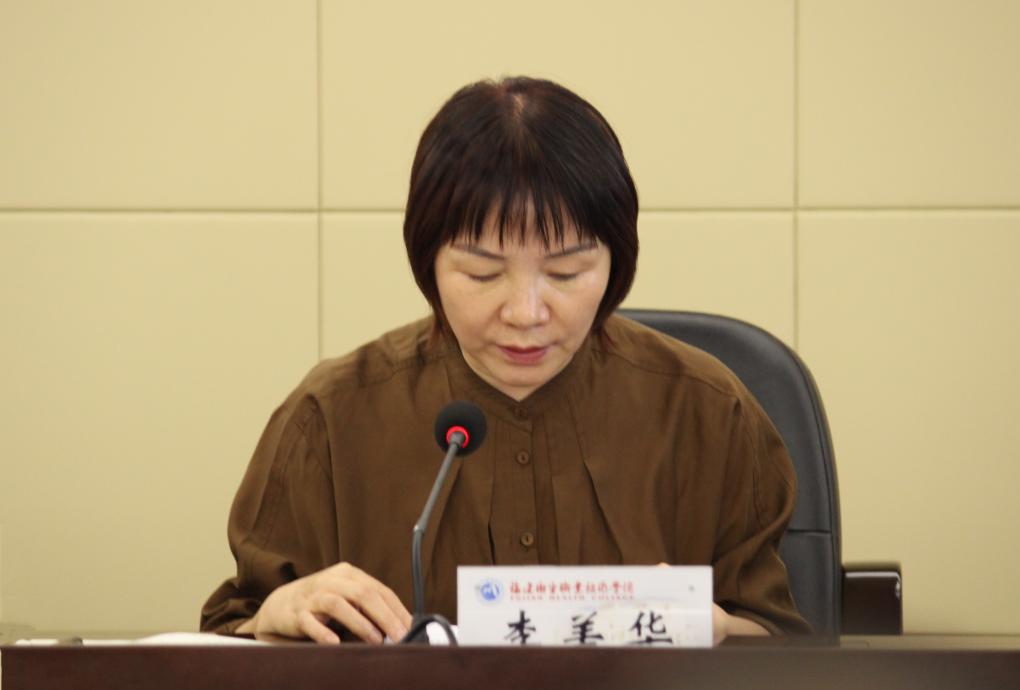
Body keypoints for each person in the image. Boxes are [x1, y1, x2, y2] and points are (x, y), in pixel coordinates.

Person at [200, 77, 811, 645]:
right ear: (429, 264)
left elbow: (790, 653)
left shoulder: (708, 411)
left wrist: (715, 629)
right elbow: (226, 640)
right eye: (482, 273)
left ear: (616, 263)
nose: (525, 313)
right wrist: (278, 614)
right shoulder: (331, 419)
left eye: (566, 272)